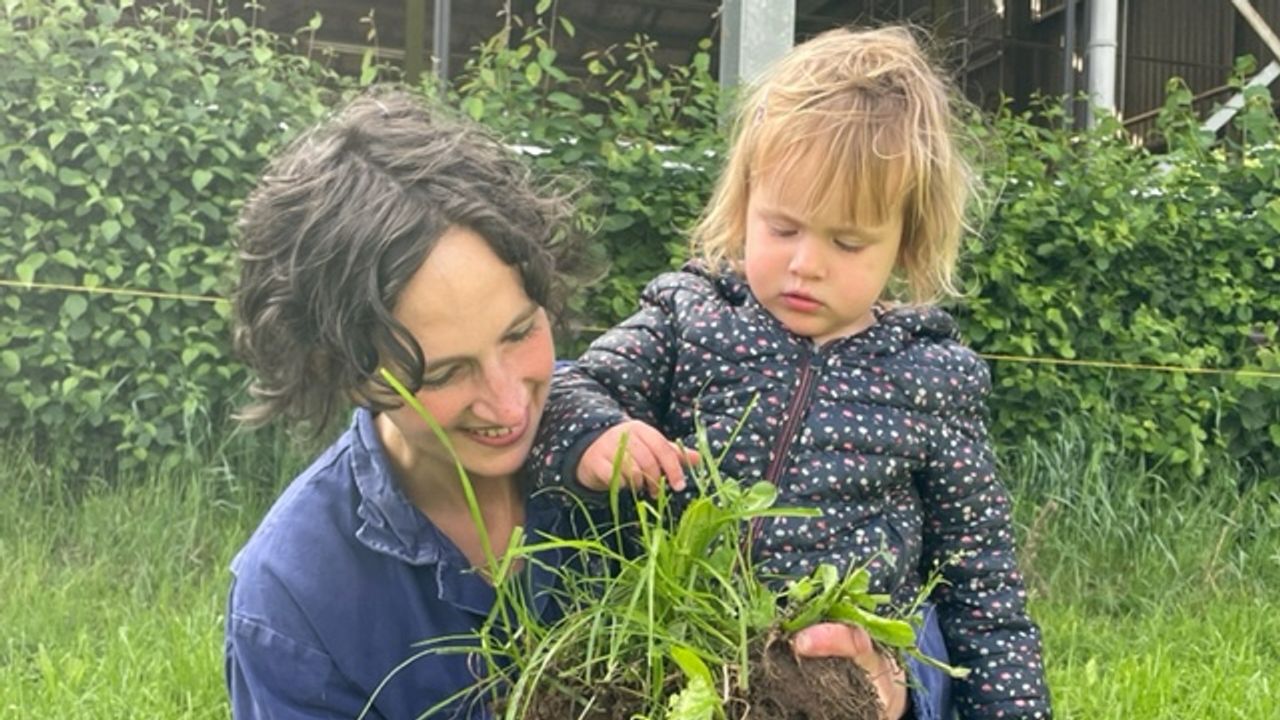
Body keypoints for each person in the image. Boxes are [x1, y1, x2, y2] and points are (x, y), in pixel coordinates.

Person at [225, 88, 903, 720]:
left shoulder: (662, 441)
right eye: (446, 372)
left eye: (521, 333)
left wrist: (882, 688)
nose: (506, 402)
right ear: (342, 370)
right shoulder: (293, 600)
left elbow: (878, 595)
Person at [530, 26, 1052, 720]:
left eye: (847, 241)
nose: (807, 263)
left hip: (829, 682)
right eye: (782, 229)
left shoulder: (930, 378)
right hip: (674, 654)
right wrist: (600, 435)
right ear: (744, 205)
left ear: (906, 242)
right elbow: (565, 387)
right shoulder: (691, 315)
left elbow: (981, 583)